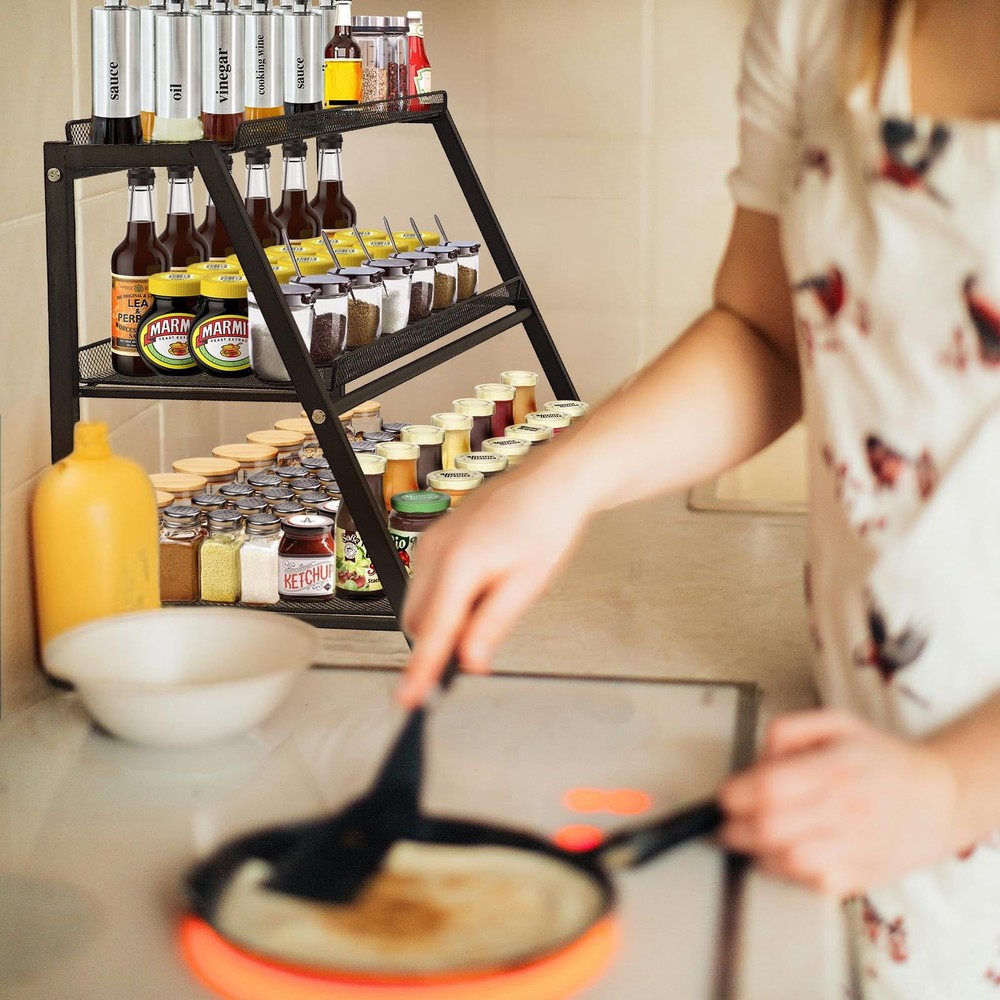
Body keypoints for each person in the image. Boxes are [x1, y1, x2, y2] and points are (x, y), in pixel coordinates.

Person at [397, 1, 1000, 995]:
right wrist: (553, 485)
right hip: (861, 781)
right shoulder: (817, 20)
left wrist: (948, 787)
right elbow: (767, 332)